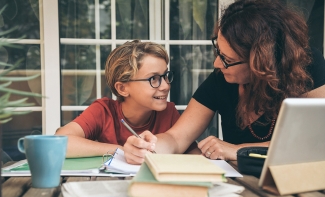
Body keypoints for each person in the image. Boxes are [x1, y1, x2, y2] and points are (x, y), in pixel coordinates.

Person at [123, 0, 325, 164]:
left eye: (227, 60)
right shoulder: (222, 79)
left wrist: (238, 150)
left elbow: (313, 143)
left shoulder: (307, 66)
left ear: (261, 62)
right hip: (239, 185)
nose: (217, 63)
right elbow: (177, 138)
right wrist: (149, 147)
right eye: (218, 51)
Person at [55, 40, 180, 157]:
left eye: (165, 76)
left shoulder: (168, 113)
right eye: (153, 79)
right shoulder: (104, 111)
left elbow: (192, 153)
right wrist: (122, 150)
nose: (165, 85)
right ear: (122, 89)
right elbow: (59, 142)